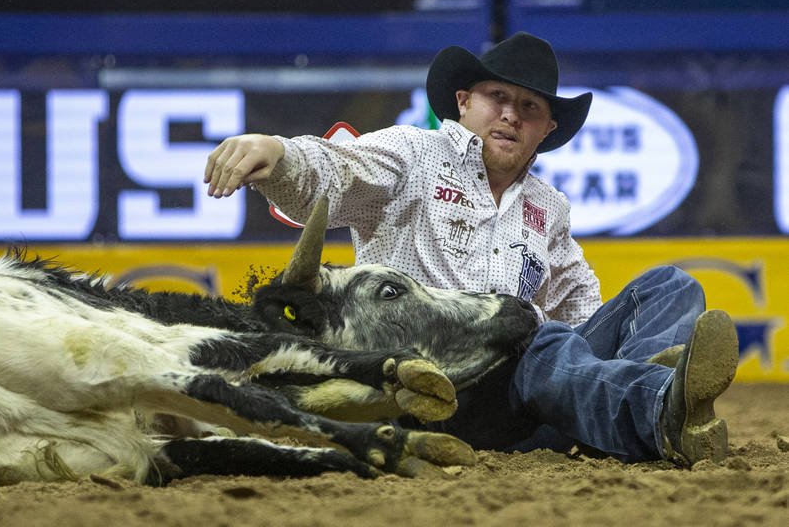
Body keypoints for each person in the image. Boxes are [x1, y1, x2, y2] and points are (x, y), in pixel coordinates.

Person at [202, 32, 739, 467]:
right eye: (497, 97)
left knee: (671, 286)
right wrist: (277, 151)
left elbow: (583, 309)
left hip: (520, 404)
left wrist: (609, 357)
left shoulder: (548, 208)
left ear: (546, 129)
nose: (511, 114)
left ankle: (634, 406)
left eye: (529, 106)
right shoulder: (413, 151)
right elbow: (337, 173)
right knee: (540, 341)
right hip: (423, 394)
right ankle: (658, 411)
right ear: (464, 103)